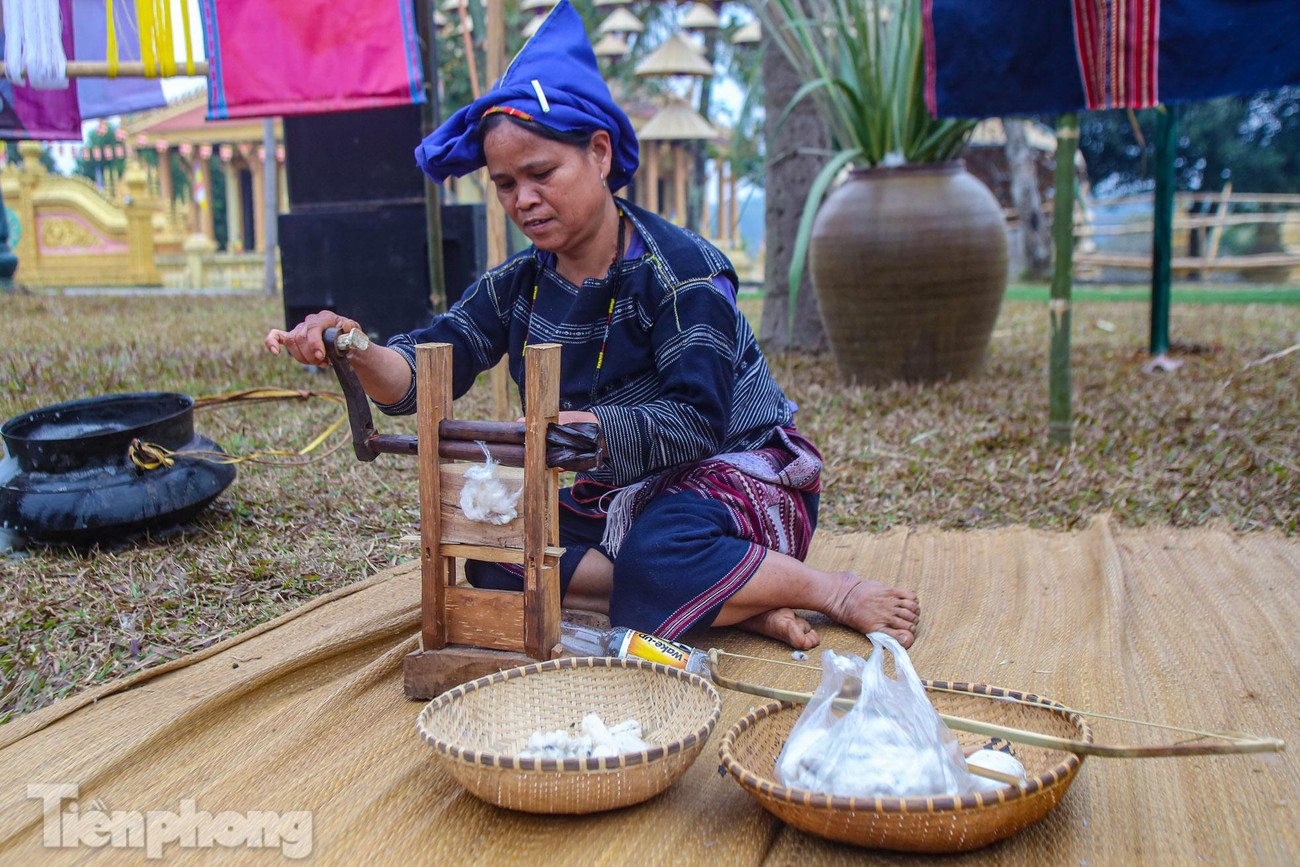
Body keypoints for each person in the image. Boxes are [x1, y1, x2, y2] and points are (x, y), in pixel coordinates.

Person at [265, 0, 918, 650]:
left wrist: (588, 428)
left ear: (600, 153)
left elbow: (698, 422)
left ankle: (823, 588)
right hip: (624, 494)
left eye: (541, 173)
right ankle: (736, 602)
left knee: (660, 552)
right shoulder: (517, 284)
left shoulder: (684, 273)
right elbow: (426, 367)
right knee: (496, 557)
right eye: (504, 183)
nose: (522, 198)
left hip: (738, 477)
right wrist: (352, 346)